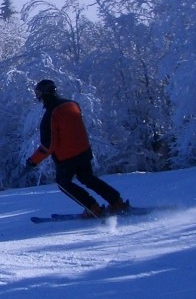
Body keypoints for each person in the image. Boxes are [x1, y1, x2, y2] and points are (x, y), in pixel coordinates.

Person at [26, 79, 130, 218]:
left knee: (64, 184)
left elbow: (48, 145)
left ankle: (92, 207)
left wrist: (33, 161)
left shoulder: (50, 115)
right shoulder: (72, 104)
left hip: (66, 158)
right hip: (84, 152)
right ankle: (116, 201)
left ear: (42, 95)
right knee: (88, 178)